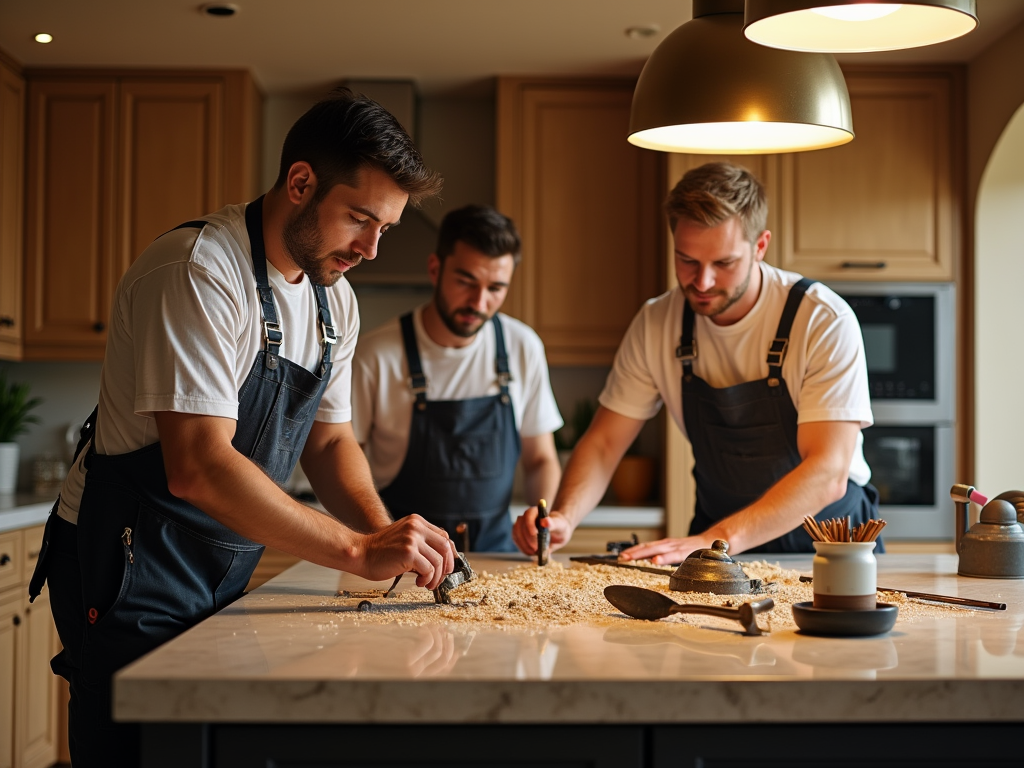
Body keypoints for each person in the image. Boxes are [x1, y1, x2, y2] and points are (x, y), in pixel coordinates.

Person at [27, 87, 456, 767]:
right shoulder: (199, 271)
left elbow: (330, 439)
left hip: (220, 563)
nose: (373, 248)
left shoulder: (332, 300)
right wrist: (355, 553)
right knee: (134, 750)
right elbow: (197, 465)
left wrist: (382, 534)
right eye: (360, 219)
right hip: (129, 561)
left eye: (388, 229)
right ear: (301, 182)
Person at [512, 162, 881, 564]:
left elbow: (827, 472)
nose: (702, 283)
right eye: (687, 261)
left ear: (760, 246)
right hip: (715, 544)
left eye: (723, 264)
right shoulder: (658, 323)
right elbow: (603, 445)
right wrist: (565, 515)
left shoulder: (821, 318)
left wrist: (718, 538)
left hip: (829, 548)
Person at [352, 205, 563, 552]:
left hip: (499, 558)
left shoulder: (522, 346)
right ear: (436, 269)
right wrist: (378, 539)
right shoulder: (376, 355)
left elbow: (540, 458)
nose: (479, 302)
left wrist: (540, 521)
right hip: (404, 562)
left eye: (496, 288)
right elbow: (347, 459)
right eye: (466, 282)